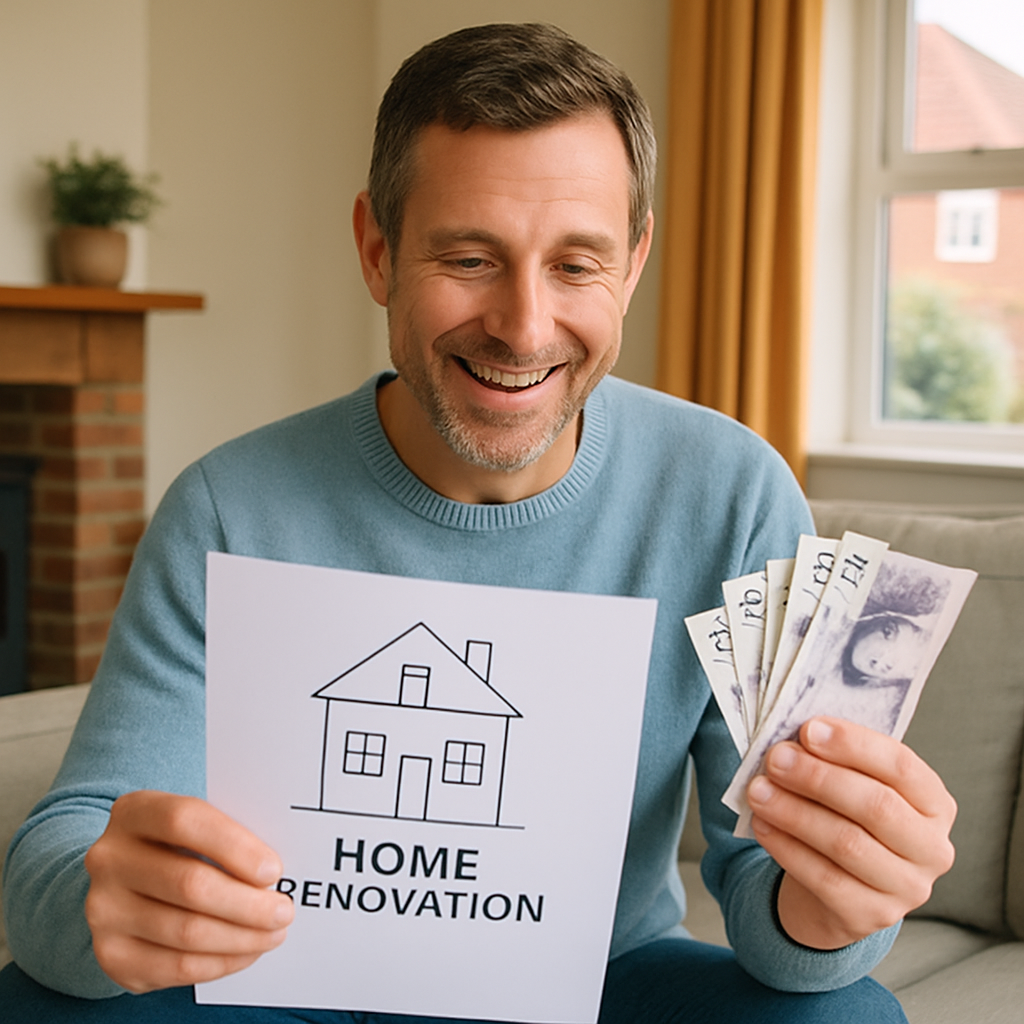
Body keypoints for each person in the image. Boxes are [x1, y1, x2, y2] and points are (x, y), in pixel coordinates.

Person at [1, 23, 955, 1023]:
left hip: (598, 985)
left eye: (576, 265)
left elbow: (779, 913)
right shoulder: (229, 505)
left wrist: (830, 903)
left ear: (633, 263)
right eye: (469, 256)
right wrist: (105, 903)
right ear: (378, 250)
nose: (523, 326)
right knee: (44, 1003)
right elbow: (63, 856)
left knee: (849, 1016)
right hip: (279, 978)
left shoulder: (734, 493)